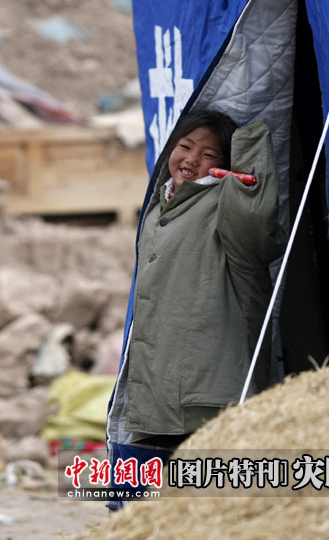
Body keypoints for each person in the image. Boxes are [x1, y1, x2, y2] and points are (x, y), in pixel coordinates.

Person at [105, 108, 286, 502]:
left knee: (201, 510)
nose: (191, 159)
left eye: (208, 154)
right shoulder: (161, 205)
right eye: (185, 146)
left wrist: (249, 152)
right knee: (135, 511)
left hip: (206, 398)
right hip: (154, 397)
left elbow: (254, 225)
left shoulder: (225, 203)